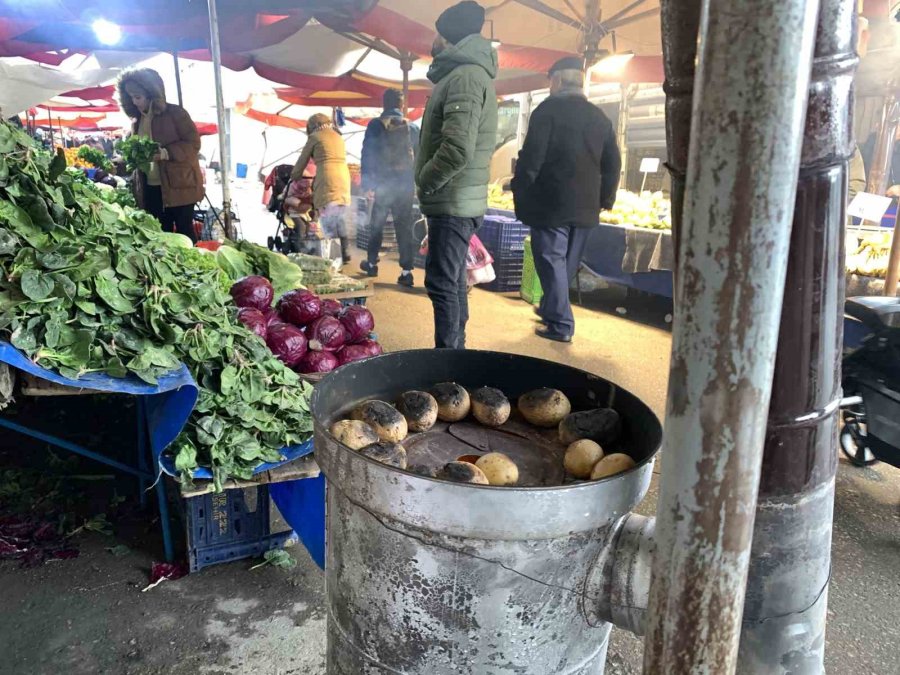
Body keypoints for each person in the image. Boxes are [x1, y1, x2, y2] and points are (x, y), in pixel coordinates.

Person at [511, 56, 621, 343]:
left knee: (551, 261)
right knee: (565, 264)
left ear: (557, 80)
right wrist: (606, 199)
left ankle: (560, 324)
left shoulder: (547, 111)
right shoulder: (599, 116)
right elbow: (613, 163)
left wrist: (520, 190)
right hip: (586, 207)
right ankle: (550, 309)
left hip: (551, 203)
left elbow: (531, 159)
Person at [417, 1, 498, 349]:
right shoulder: (464, 74)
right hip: (456, 199)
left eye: (436, 31)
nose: (432, 39)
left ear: (447, 35)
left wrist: (425, 182)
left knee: (443, 284)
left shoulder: (465, 76)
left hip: (452, 201)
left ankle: (449, 362)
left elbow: (456, 150)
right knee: (452, 282)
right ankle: (455, 353)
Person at [118, 68, 204, 242]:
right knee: (160, 235)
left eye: (138, 97)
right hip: (151, 188)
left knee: (184, 232)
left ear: (151, 94)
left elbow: (193, 143)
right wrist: (127, 160)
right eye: (130, 97)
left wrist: (166, 153)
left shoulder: (176, 114)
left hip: (180, 187)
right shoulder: (137, 122)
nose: (134, 102)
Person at [360, 89, 420, 287]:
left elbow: (368, 153)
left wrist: (368, 184)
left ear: (384, 104)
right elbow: (420, 157)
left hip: (383, 184)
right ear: (402, 105)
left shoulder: (376, 126)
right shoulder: (411, 128)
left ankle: (371, 263)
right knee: (404, 227)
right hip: (405, 185)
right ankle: (407, 271)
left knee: (376, 223)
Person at [292, 113, 352, 266]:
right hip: (344, 178)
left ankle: (333, 259)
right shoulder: (338, 136)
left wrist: (295, 175)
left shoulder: (315, 137)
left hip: (327, 178)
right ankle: (345, 252)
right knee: (338, 216)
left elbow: (302, 160)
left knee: (327, 219)